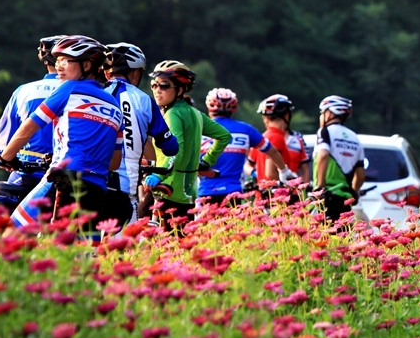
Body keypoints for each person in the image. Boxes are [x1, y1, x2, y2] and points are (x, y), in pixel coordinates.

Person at [0, 35, 124, 240]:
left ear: (87, 64)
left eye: (66, 60)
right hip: (96, 188)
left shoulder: (69, 89)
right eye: (57, 60)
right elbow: (114, 162)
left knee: (11, 234)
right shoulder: (114, 106)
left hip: (63, 179)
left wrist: (5, 156)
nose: (59, 66)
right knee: (82, 255)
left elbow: (30, 126)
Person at [143, 61, 231, 230]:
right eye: (154, 85)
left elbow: (176, 148)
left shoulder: (172, 114)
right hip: (188, 194)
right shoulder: (196, 113)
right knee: (181, 246)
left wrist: (159, 176)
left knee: (138, 233)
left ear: (181, 89)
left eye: (164, 85)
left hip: (167, 190)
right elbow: (224, 136)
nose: (157, 90)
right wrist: (207, 161)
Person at [101, 43, 179, 225]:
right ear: (135, 73)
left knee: (89, 243)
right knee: (125, 247)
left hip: (90, 182)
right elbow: (170, 147)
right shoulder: (144, 100)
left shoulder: (94, 94)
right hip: (124, 187)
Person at [0, 36, 64, 186]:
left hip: (26, 173)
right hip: (65, 174)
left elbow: (2, 143)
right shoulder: (82, 93)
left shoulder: (24, 90)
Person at [198, 88, 290, 205]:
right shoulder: (245, 130)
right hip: (233, 192)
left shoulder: (199, 129)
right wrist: (283, 170)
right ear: (233, 108)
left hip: (205, 192)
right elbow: (272, 151)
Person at [313, 95, 365, 223]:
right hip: (345, 199)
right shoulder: (355, 137)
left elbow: (323, 155)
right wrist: (353, 191)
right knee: (343, 236)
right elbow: (361, 174)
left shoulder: (324, 132)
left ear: (329, 113)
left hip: (327, 196)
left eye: (322, 113)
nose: (321, 116)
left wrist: (320, 186)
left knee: (323, 237)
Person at [247, 94, 308, 185]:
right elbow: (270, 173)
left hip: (265, 194)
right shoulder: (276, 137)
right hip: (276, 195)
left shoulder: (263, 137)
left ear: (266, 118)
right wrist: (291, 183)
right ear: (287, 115)